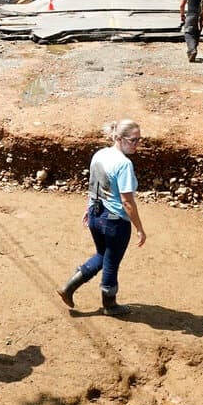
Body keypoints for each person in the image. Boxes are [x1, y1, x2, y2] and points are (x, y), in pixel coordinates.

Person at [56, 119, 147, 316]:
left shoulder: (100, 154)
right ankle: (110, 305)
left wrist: (89, 209)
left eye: (140, 139)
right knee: (111, 262)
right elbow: (127, 202)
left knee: (102, 255)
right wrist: (139, 227)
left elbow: (94, 185)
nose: (138, 144)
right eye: (134, 140)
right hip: (114, 221)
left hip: (96, 216)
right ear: (120, 139)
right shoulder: (124, 164)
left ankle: (68, 288)